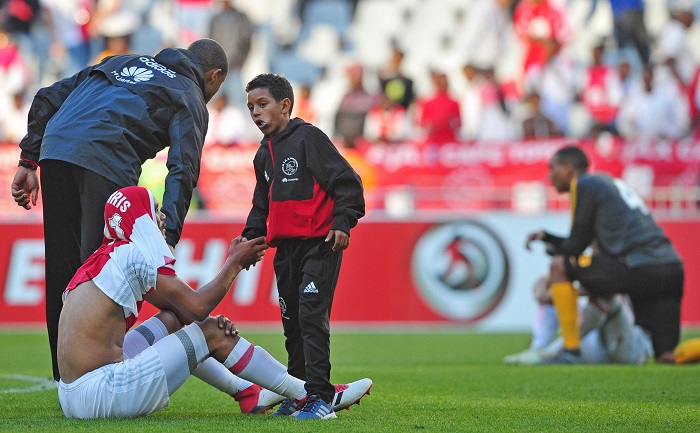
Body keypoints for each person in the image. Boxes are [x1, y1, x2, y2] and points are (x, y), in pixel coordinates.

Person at [10, 38, 228, 382]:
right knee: (100, 271)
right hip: (107, 156)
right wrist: (168, 237)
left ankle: (65, 376)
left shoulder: (118, 62)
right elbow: (183, 167)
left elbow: (48, 96)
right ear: (214, 77)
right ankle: (94, 375)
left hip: (56, 148)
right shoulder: (189, 92)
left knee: (64, 265)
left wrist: (28, 160)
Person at [56, 185, 372, 418]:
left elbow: (182, 312)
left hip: (71, 395)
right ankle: (313, 394)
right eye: (154, 209)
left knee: (175, 321)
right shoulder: (133, 255)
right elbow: (197, 307)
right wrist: (233, 263)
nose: (161, 216)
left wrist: (203, 324)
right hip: (100, 392)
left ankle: (249, 391)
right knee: (210, 331)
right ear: (139, 219)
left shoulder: (105, 258)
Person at [243, 73, 366, 419]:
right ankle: (298, 392)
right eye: (251, 106)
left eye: (262, 104)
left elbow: (348, 185)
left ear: (285, 106)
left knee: (311, 316)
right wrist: (251, 235)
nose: (255, 112)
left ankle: (320, 398)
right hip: (286, 252)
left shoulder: (308, 138)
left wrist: (342, 223)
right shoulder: (263, 154)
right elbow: (260, 204)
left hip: (320, 243)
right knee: (292, 322)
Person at [525, 145, 684, 364]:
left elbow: (575, 246)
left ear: (569, 169)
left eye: (553, 169)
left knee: (559, 266)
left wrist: (551, 246)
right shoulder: (606, 183)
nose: (550, 176)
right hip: (670, 268)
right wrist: (548, 237)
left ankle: (570, 351)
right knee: (667, 357)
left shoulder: (584, 185)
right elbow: (583, 240)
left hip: (639, 266)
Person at [504, 274, 654, 365]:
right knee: (554, 295)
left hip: (625, 344)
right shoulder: (583, 263)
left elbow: (608, 288)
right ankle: (538, 349)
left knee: (607, 299)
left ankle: (552, 351)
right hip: (592, 340)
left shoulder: (624, 265)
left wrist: (571, 292)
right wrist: (544, 293)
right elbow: (543, 280)